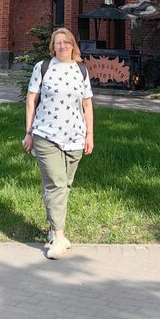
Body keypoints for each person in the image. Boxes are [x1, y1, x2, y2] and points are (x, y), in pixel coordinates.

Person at [22, 27, 94, 259]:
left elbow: (87, 105)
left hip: (75, 136)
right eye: (57, 42)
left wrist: (89, 135)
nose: (62, 46)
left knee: (64, 184)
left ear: (73, 45)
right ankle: (59, 236)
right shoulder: (43, 68)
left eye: (66, 42)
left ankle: (53, 229)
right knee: (56, 182)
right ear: (53, 46)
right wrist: (29, 132)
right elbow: (31, 101)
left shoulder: (81, 70)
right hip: (45, 134)